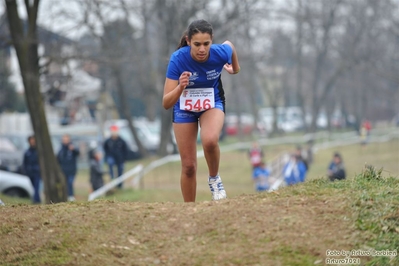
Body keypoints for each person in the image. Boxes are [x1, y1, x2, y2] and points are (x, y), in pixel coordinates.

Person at [162, 19, 240, 202]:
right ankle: (190, 210)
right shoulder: (178, 59)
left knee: (210, 140)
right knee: (189, 166)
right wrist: (180, 87)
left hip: (212, 102)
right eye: (197, 44)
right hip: (184, 107)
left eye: (206, 44)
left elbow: (230, 46)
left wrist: (234, 69)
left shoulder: (220, 53)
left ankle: (214, 179)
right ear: (188, 41)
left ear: (212, 40)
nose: (202, 49)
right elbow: (166, 103)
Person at [57, 134, 80, 202]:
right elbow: (58, 159)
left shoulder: (72, 148)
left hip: (72, 170)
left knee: (70, 182)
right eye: (64, 139)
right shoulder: (61, 149)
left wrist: (73, 149)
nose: (65, 141)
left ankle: (71, 196)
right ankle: (66, 196)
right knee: (65, 184)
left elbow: (78, 153)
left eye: (67, 139)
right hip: (64, 170)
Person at [22, 135, 41, 204]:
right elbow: (24, 163)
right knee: (33, 187)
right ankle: (38, 200)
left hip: (37, 172)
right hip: (30, 173)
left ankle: (35, 200)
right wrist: (26, 171)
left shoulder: (38, 152)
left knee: (36, 186)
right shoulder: (27, 152)